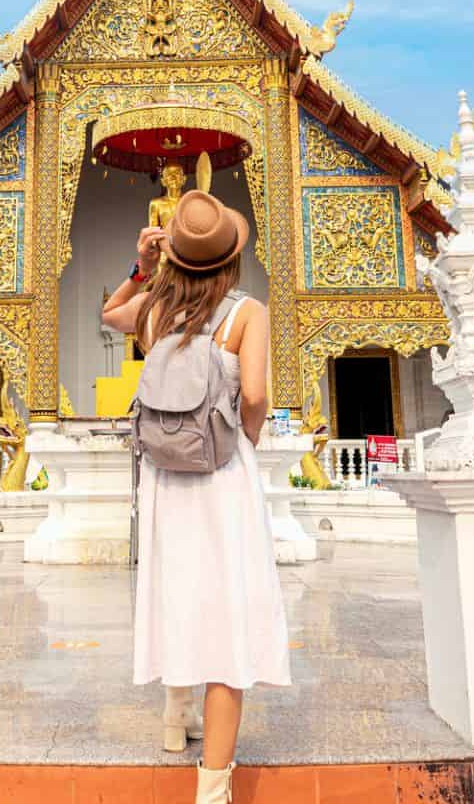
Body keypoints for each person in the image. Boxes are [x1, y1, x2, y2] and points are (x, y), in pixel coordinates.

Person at [101, 189, 290, 804]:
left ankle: (171, 719)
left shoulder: (155, 311)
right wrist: (246, 442)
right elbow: (256, 396)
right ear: (231, 258)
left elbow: (109, 314)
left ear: (174, 255)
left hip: (164, 479)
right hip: (221, 475)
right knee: (227, 616)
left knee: (179, 595)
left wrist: (141, 268)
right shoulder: (247, 314)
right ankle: (212, 790)